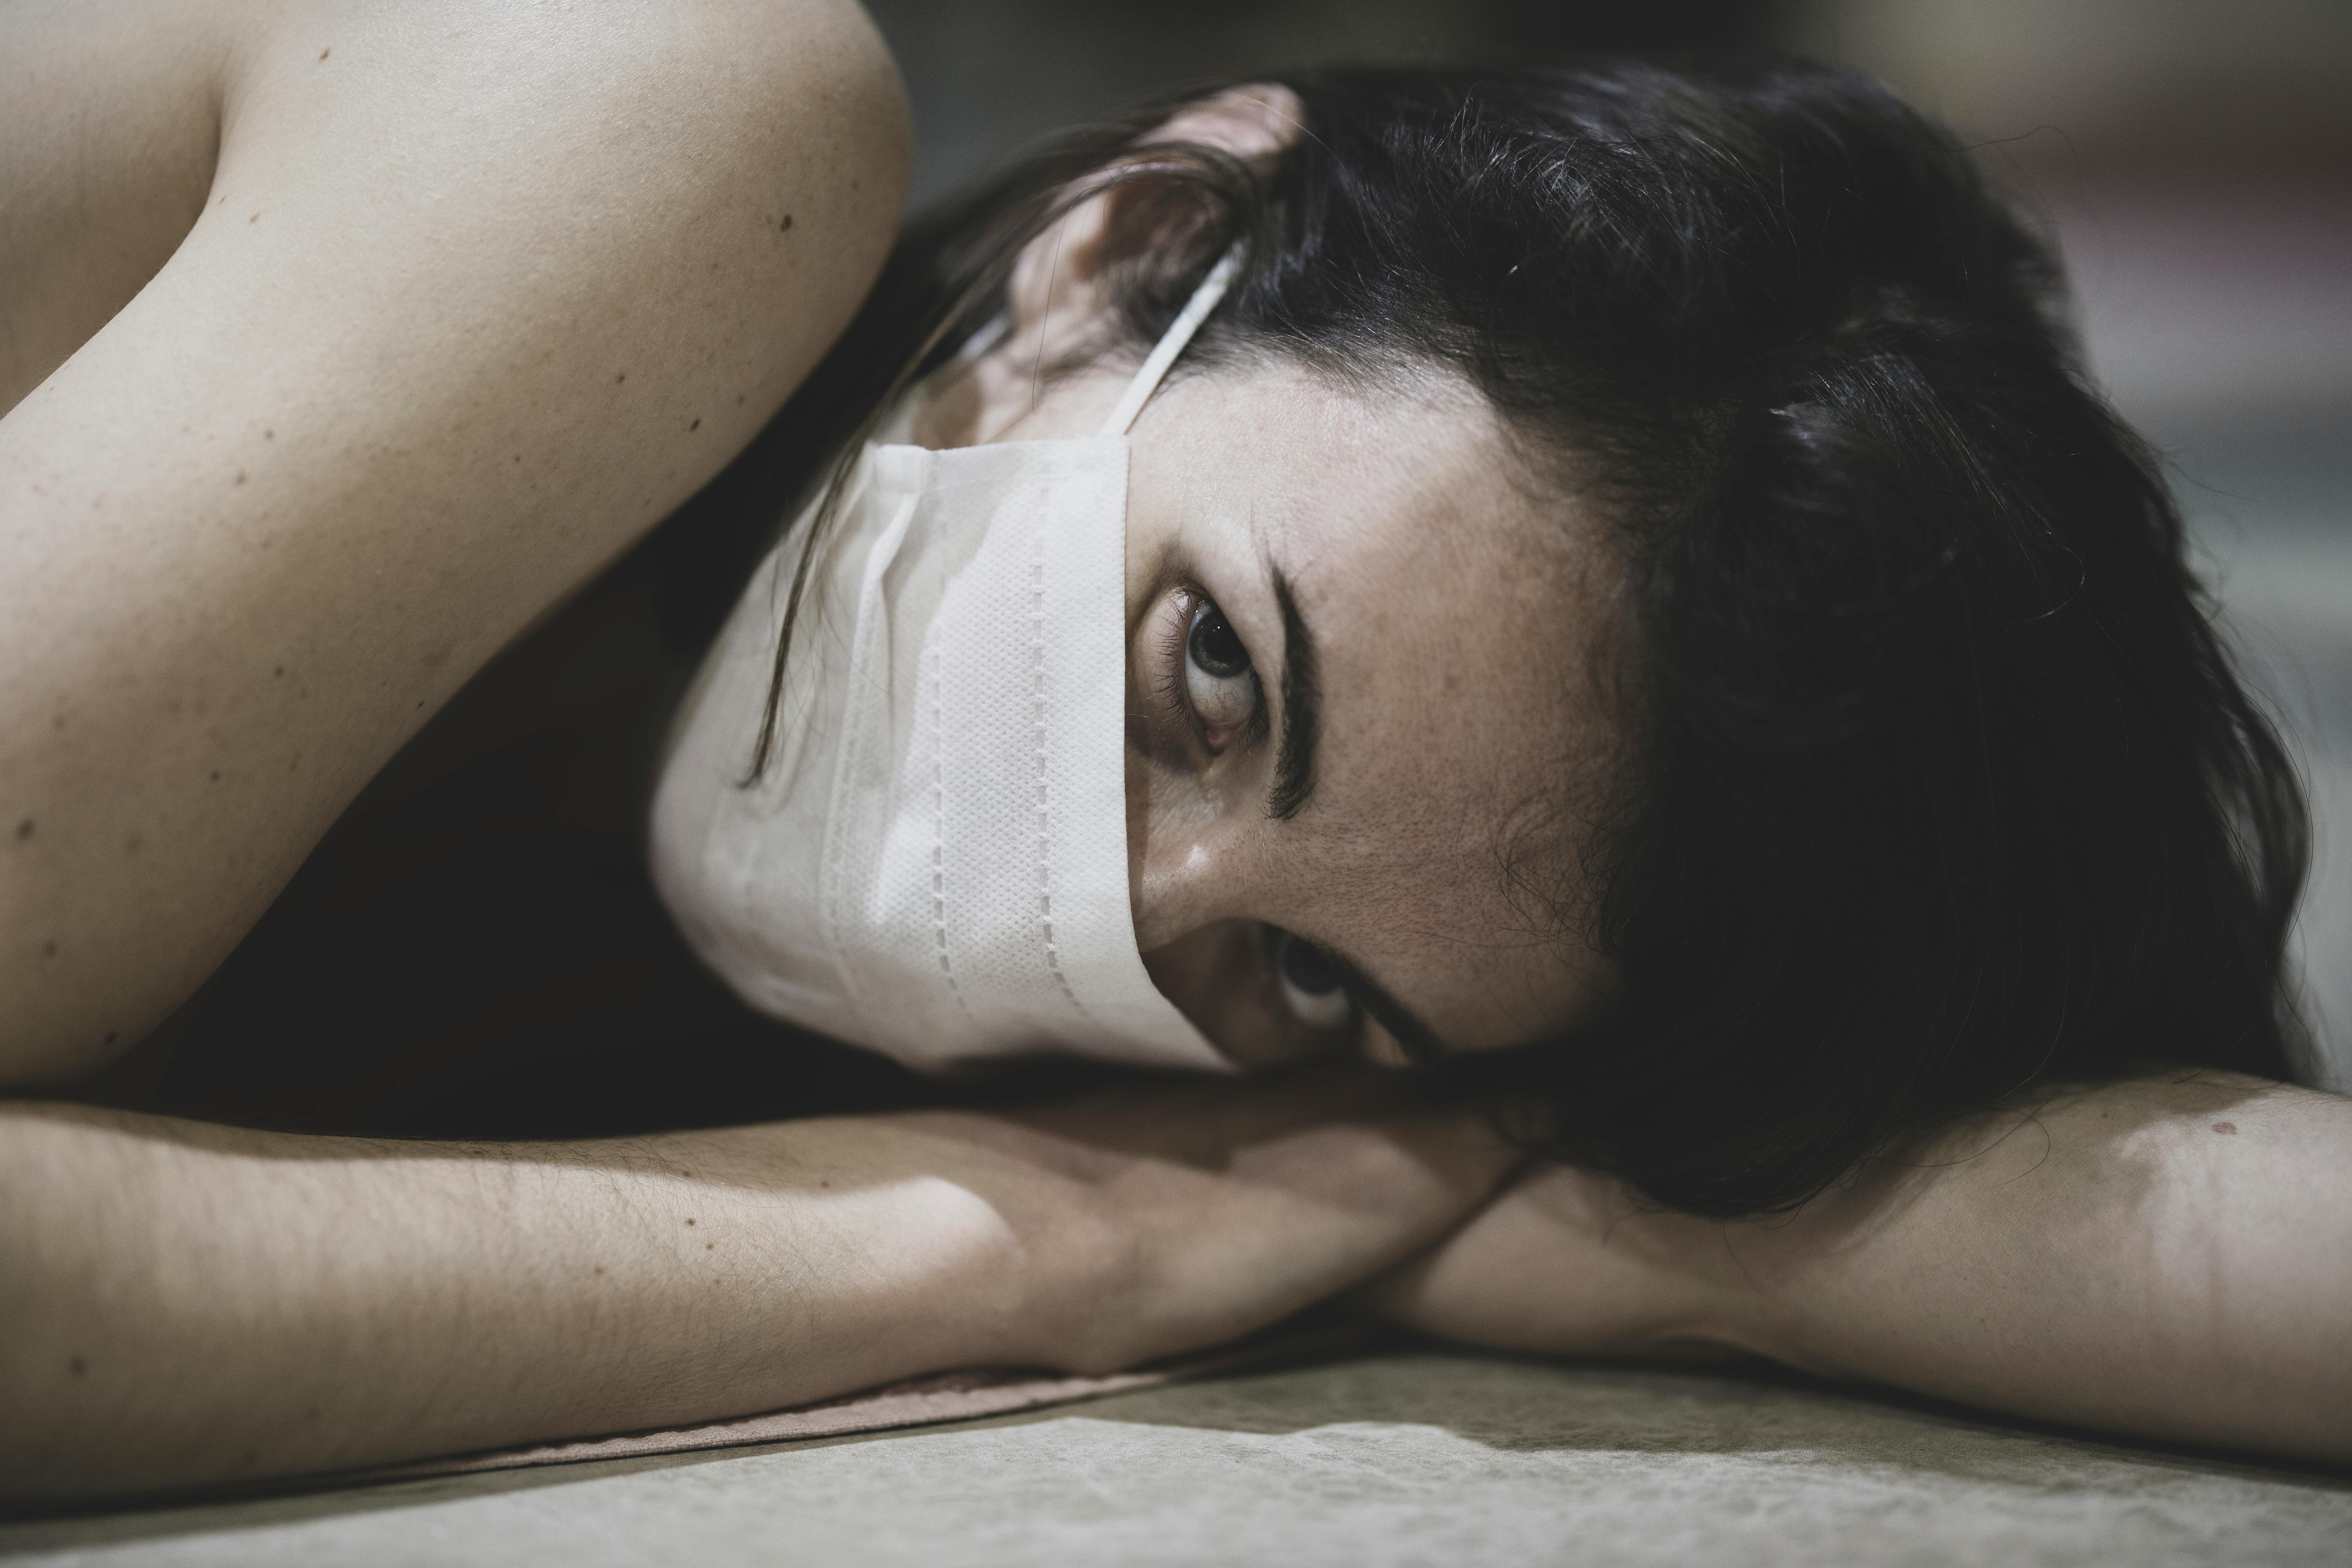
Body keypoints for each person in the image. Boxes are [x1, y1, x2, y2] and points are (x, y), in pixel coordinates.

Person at [1, 0, 2345, 1502]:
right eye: (1214, 673)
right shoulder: (642, 103)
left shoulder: (1206, 1067)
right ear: (1127, 247)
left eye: (1310, 984)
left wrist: (1701, 1246)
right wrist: (1015, 1250)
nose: (1115, 919)